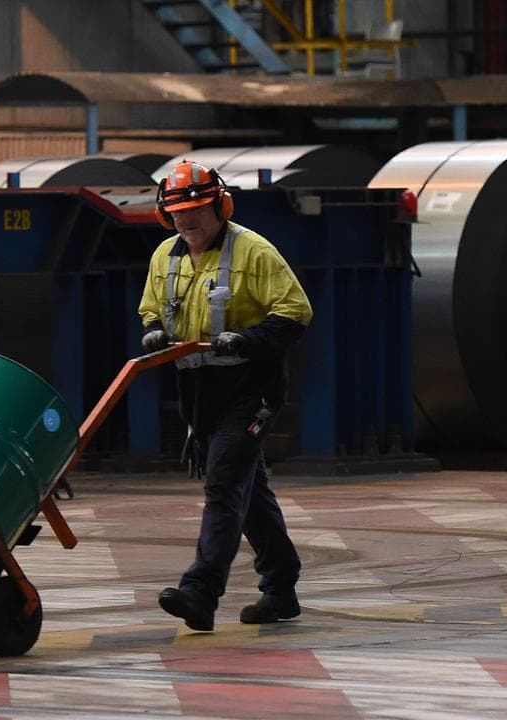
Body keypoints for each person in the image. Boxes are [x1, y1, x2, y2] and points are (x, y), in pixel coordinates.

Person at [137, 160, 313, 630]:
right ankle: (281, 588)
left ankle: (201, 590)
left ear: (220, 205)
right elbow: (152, 309)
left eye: (196, 210)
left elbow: (295, 311)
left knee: (224, 481)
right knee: (246, 491)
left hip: (250, 387)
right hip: (198, 390)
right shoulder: (165, 257)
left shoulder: (253, 251)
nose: (188, 221)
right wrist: (154, 332)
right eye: (177, 214)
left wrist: (248, 340)